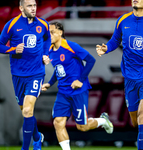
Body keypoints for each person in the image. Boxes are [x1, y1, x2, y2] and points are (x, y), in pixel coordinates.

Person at [96, 0, 143, 150]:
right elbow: (114, 40)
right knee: (136, 121)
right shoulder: (122, 20)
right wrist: (106, 48)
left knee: (142, 115)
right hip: (130, 78)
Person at [42, 22, 113, 150]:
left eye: (52, 32)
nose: (49, 35)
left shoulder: (71, 46)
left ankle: (103, 121)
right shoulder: (50, 51)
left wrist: (80, 80)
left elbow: (91, 60)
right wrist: (49, 83)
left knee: (82, 127)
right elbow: (58, 69)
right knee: (58, 123)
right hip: (63, 93)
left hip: (78, 91)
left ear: (60, 32)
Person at [0, 0, 51, 150]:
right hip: (18, 75)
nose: (33, 9)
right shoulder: (11, 25)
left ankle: (26, 148)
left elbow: (47, 40)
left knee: (27, 110)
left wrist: (46, 54)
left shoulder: (43, 24)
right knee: (26, 111)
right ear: (21, 8)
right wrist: (13, 49)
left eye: (34, 6)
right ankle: (37, 137)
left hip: (37, 73)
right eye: (29, 6)